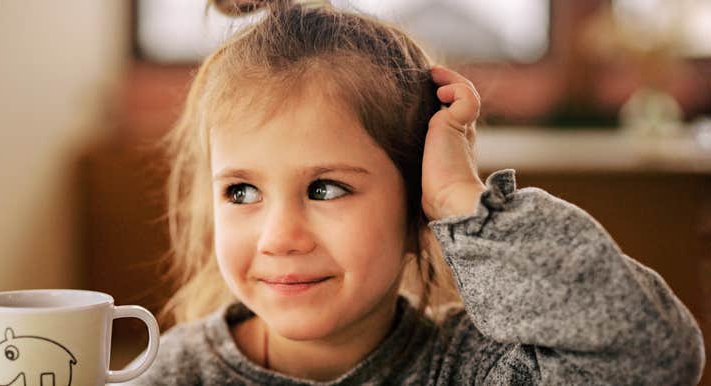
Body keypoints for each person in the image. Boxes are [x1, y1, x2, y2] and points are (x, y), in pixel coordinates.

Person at [123, 0, 705, 384]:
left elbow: (654, 356)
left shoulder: (470, 371)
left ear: (415, 208)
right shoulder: (177, 370)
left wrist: (461, 200)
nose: (281, 237)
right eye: (242, 192)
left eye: (326, 188)